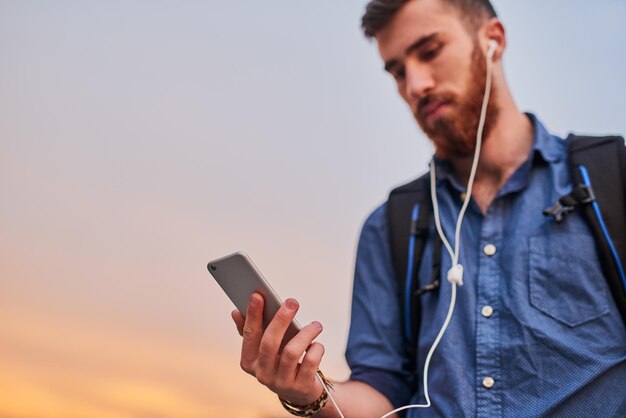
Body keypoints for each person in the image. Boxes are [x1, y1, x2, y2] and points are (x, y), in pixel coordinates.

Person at [231, 0, 626, 417]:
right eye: (398, 71)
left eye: (430, 51)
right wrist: (307, 392)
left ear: (493, 40)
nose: (415, 85)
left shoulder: (611, 179)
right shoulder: (391, 227)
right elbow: (381, 394)